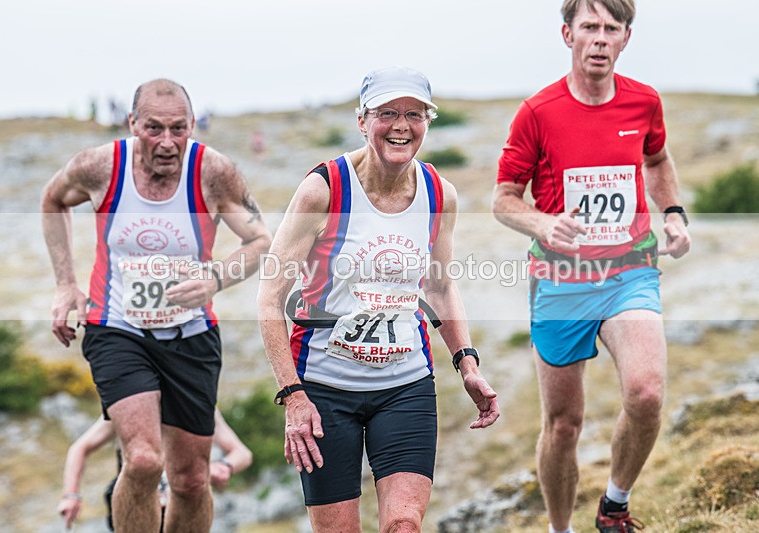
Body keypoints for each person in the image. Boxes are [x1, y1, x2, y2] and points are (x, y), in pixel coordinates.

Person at [257, 66, 500, 533]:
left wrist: (467, 364)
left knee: (404, 525)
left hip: (405, 385)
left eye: (413, 114)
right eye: (387, 113)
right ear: (362, 120)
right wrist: (293, 397)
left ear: (428, 121)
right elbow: (270, 300)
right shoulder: (323, 190)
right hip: (325, 389)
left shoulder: (438, 194)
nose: (401, 125)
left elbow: (440, 286)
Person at [492, 2, 691, 532]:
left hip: (629, 270)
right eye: (589, 28)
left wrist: (672, 214)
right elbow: (504, 198)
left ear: (625, 38)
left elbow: (657, 158)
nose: (600, 39)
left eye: (611, 29)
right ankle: (560, 528)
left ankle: (615, 506)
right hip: (561, 281)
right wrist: (542, 224)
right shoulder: (537, 113)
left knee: (646, 392)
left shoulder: (644, 102)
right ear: (567, 35)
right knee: (563, 425)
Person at [42, 78, 272, 533]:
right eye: (153, 129)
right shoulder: (99, 167)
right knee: (145, 460)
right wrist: (66, 282)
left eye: (178, 129)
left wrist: (215, 278)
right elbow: (53, 200)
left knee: (189, 479)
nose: (167, 143)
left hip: (191, 334)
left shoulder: (214, 172)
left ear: (192, 125)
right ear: (132, 124)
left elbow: (260, 239)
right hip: (117, 327)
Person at [57, 409, 253, 530]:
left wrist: (224, 466)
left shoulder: (196, 403)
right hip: (135, 503)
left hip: (180, 503)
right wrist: (71, 495)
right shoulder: (128, 405)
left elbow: (242, 453)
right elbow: (79, 448)